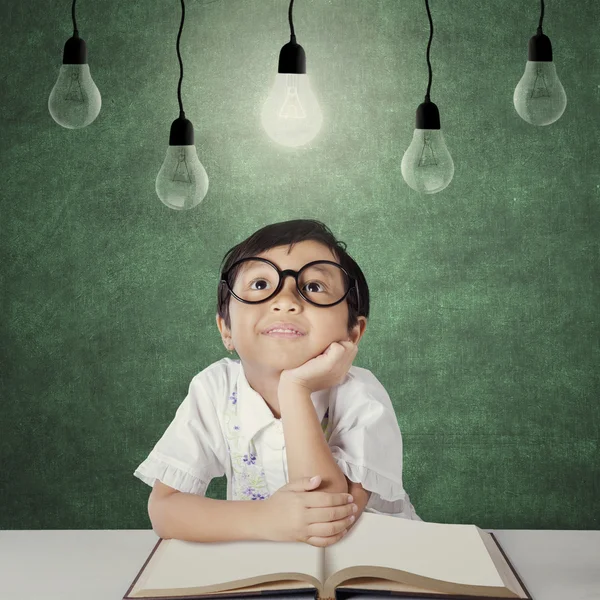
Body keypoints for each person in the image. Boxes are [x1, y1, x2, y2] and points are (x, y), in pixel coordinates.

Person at [133, 219, 421, 547]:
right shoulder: (215, 389)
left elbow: (326, 520)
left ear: (352, 333)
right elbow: (164, 509)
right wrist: (266, 518)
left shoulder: (362, 397)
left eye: (313, 286)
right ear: (226, 329)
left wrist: (295, 388)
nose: (285, 301)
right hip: (274, 571)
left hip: (375, 568)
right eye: (259, 284)